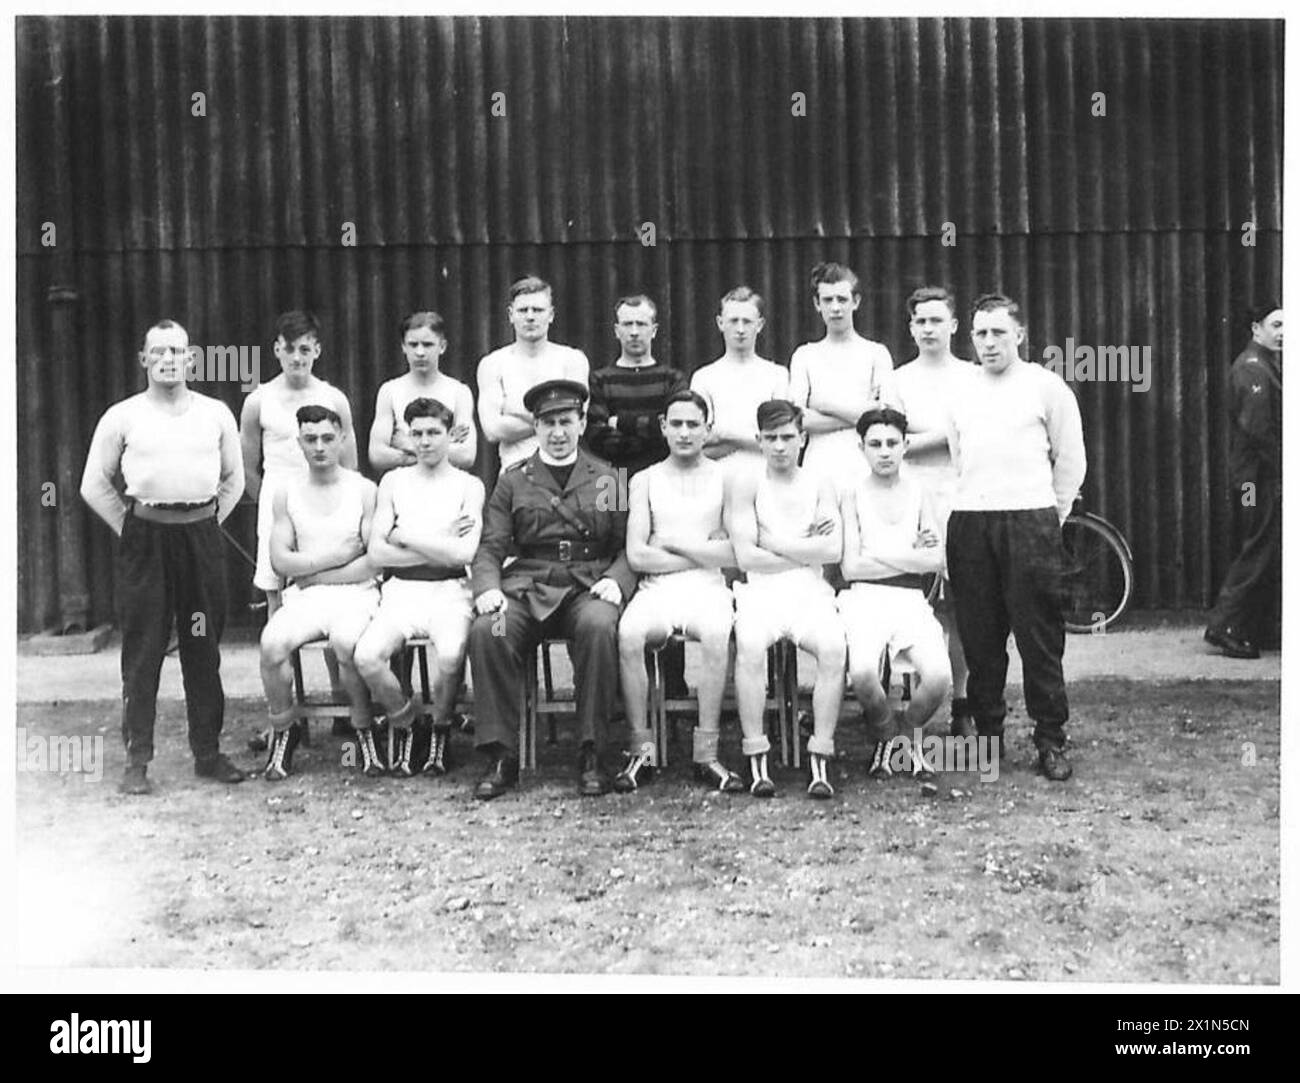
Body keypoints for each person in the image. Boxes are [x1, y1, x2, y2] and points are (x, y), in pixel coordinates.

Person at [80, 319, 247, 794]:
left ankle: (208, 753)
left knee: (202, 645)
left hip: (199, 540)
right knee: (143, 647)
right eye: (159, 352)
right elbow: (93, 484)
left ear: (191, 359)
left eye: (177, 351)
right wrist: (130, 528)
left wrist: (206, 523)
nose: (169, 359)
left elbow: (233, 480)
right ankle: (137, 759)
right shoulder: (123, 416)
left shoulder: (215, 414)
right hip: (146, 542)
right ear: (144, 360)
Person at [467, 379, 636, 799]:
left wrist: (618, 579)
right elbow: (490, 546)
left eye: (566, 421)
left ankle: (592, 751)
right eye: (548, 423)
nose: (557, 432)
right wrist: (487, 588)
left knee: (599, 628)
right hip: (529, 588)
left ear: (581, 423)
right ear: (535, 428)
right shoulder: (513, 480)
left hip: (586, 587)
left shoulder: (608, 478)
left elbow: (627, 547)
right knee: (491, 630)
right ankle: (501, 753)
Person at [945, 294, 1086, 781]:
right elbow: (957, 456)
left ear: (1020, 335)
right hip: (971, 521)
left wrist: (1051, 517)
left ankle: (1050, 739)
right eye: (980, 333)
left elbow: (1071, 461)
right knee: (981, 637)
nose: (988, 343)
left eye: (998, 333)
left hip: (1030, 521)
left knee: (1039, 637)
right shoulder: (961, 390)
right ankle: (989, 738)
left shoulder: (1047, 388)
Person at [614, 390, 745, 794]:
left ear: (708, 430)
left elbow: (734, 551)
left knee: (717, 633)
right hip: (658, 589)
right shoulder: (643, 480)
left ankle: (706, 754)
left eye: (693, 424)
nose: (685, 432)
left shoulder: (728, 477)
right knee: (630, 634)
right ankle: (643, 752)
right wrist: (703, 552)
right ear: (663, 428)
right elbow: (637, 555)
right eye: (677, 424)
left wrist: (671, 544)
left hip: (708, 588)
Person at [354, 398, 485, 777]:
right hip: (401, 593)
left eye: (434, 432)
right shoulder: (393, 481)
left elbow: (464, 553)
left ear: (449, 436)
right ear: (409, 438)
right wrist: (438, 545)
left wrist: (406, 535)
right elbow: (378, 553)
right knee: (366, 656)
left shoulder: (469, 485)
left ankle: (442, 727)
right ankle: (408, 721)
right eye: (417, 434)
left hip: (450, 592)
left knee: (450, 656)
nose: (425, 442)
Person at [240, 310, 357, 733]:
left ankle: (342, 704)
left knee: (333, 600)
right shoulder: (258, 401)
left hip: (327, 513)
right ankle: (286, 721)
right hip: (278, 514)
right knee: (279, 611)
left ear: (317, 351)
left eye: (305, 349)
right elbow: (247, 468)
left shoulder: (334, 398)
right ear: (276, 350)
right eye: (289, 349)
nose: (297, 357)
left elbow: (351, 464)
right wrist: (278, 509)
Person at [726, 400, 845, 799]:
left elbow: (832, 552)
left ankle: (820, 756)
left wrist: (773, 541)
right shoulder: (746, 483)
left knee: (833, 648)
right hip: (760, 589)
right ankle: (756, 754)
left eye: (788, 437)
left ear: (803, 438)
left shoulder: (820, 482)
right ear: (758, 440)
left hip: (808, 589)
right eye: (771, 438)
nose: (780, 446)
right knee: (749, 647)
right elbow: (746, 557)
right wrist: (804, 545)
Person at [257, 407, 380, 781]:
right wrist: (335, 558)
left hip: (357, 594)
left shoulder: (364, 489)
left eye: (328, 438)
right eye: (310, 439)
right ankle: (285, 728)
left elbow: (374, 563)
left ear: (342, 439)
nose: (320, 447)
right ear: (299, 443)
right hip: (306, 598)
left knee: (347, 644)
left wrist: (313, 572)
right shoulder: (286, 492)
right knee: (271, 645)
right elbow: (280, 560)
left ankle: (363, 729)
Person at [838, 407, 952, 788]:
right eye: (875, 444)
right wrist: (909, 558)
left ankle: (908, 730)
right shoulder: (851, 493)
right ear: (861, 448)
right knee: (863, 674)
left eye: (891, 443)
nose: (884, 452)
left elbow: (934, 560)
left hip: (909, 600)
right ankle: (886, 734)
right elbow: (851, 568)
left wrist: (879, 557)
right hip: (864, 599)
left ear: (905, 446)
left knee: (938, 677)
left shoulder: (920, 491)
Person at [585, 293, 691, 698]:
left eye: (641, 324)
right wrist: (642, 427)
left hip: (664, 480)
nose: (633, 332)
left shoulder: (671, 379)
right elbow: (597, 436)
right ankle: (624, 685)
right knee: (619, 560)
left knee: (663, 567)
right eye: (626, 324)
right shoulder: (601, 379)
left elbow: (672, 430)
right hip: (612, 481)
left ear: (654, 329)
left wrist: (621, 422)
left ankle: (674, 683)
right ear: (616, 330)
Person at [893, 286, 979, 737]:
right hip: (911, 497)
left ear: (953, 326)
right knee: (913, 600)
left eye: (936, 320)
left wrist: (924, 438)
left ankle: (962, 700)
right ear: (911, 328)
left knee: (960, 607)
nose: (928, 329)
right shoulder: (898, 379)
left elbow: (971, 435)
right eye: (920, 322)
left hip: (961, 497)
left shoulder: (971, 376)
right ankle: (915, 699)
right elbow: (891, 440)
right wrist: (944, 434)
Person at [1205, 303, 1283, 658]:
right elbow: (1258, 431)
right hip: (1255, 481)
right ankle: (1223, 627)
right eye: (1276, 325)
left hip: (1259, 477)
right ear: (1256, 329)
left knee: (1266, 549)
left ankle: (1259, 627)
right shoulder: (1253, 369)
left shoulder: (1266, 365)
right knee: (1258, 548)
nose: (1283, 333)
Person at [788, 262, 898, 490]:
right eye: (828, 300)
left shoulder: (876, 353)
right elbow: (798, 420)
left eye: (842, 299)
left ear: (855, 302)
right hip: (819, 466)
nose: (835, 308)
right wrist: (862, 413)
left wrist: (823, 404)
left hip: (865, 465)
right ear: (817, 304)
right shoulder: (805, 355)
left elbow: (886, 417)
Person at [476, 276, 590, 474]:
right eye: (523, 310)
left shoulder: (572, 360)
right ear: (511, 315)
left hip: (566, 472)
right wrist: (554, 416)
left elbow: (578, 421)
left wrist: (517, 416)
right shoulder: (493, 364)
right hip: (515, 472)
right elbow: (492, 430)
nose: (530, 317)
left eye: (537, 310)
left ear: (551, 314)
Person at [690, 286, 790, 483]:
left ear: (760, 325)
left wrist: (725, 435)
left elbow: (780, 436)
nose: (741, 329)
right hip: (716, 479)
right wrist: (755, 439)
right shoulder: (704, 377)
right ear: (720, 323)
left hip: (766, 479)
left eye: (747, 321)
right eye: (733, 321)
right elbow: (699, 441)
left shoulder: (777, 375)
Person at [369, 311, 477, 475]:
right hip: (403, 486)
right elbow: (377, 455)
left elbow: (466, 455)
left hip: (447, 485)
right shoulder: (390, 391)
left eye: (427, 345)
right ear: (403, 347)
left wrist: (407, 445)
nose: (420, 352)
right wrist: (442, 447)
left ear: (442, 347)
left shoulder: (458, 392)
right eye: (413, 345)